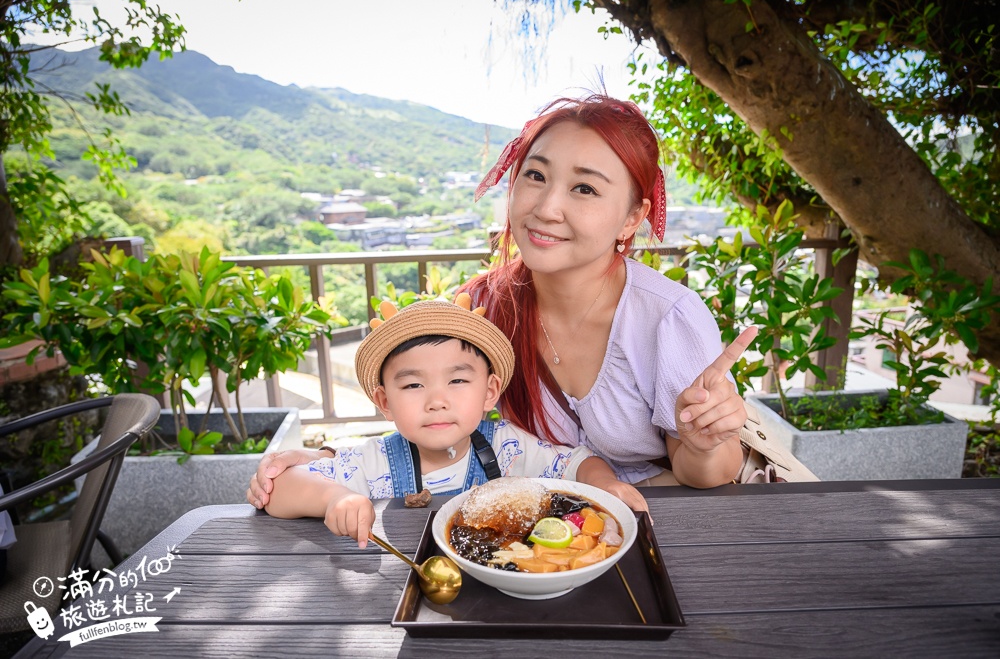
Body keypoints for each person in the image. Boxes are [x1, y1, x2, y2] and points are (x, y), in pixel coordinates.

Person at [248, 93, 753, 500]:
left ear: (631, 218)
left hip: (658, 523)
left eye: (585, 189)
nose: (547, 207)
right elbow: (430, 408)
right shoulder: (482, 308)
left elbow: (707, 476)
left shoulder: (666, 319)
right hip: (538, 538)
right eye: (535, 176)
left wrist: (705, 441)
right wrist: (328, 463)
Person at [258, 296, 648, 547]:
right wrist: (335, 498)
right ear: (384, 401)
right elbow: (278, 490)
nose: (437, 400)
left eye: (458, 381)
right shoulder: (375, 462)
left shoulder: (507, 447)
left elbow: (577, 462)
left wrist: (606, 484)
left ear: (490, 391)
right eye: (413, 384)